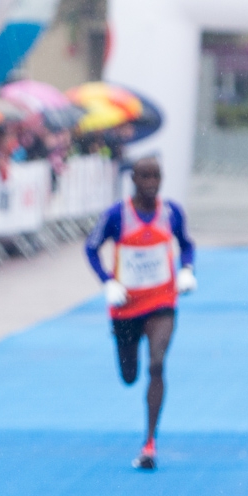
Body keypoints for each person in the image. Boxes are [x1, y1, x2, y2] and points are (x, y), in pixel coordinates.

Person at [85, 156, 196, 472]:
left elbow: (186, 244)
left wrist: (187, 269)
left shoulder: (171, 213)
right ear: (133, 179)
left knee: (157, 365)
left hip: (162, 301)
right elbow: (91, 248)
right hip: (126, 307)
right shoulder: (116, 215)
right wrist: (107, 282)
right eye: (144, 176)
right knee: (129, 375)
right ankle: (122, 342)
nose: (151, 183)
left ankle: (149, 443)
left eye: (156, 176)